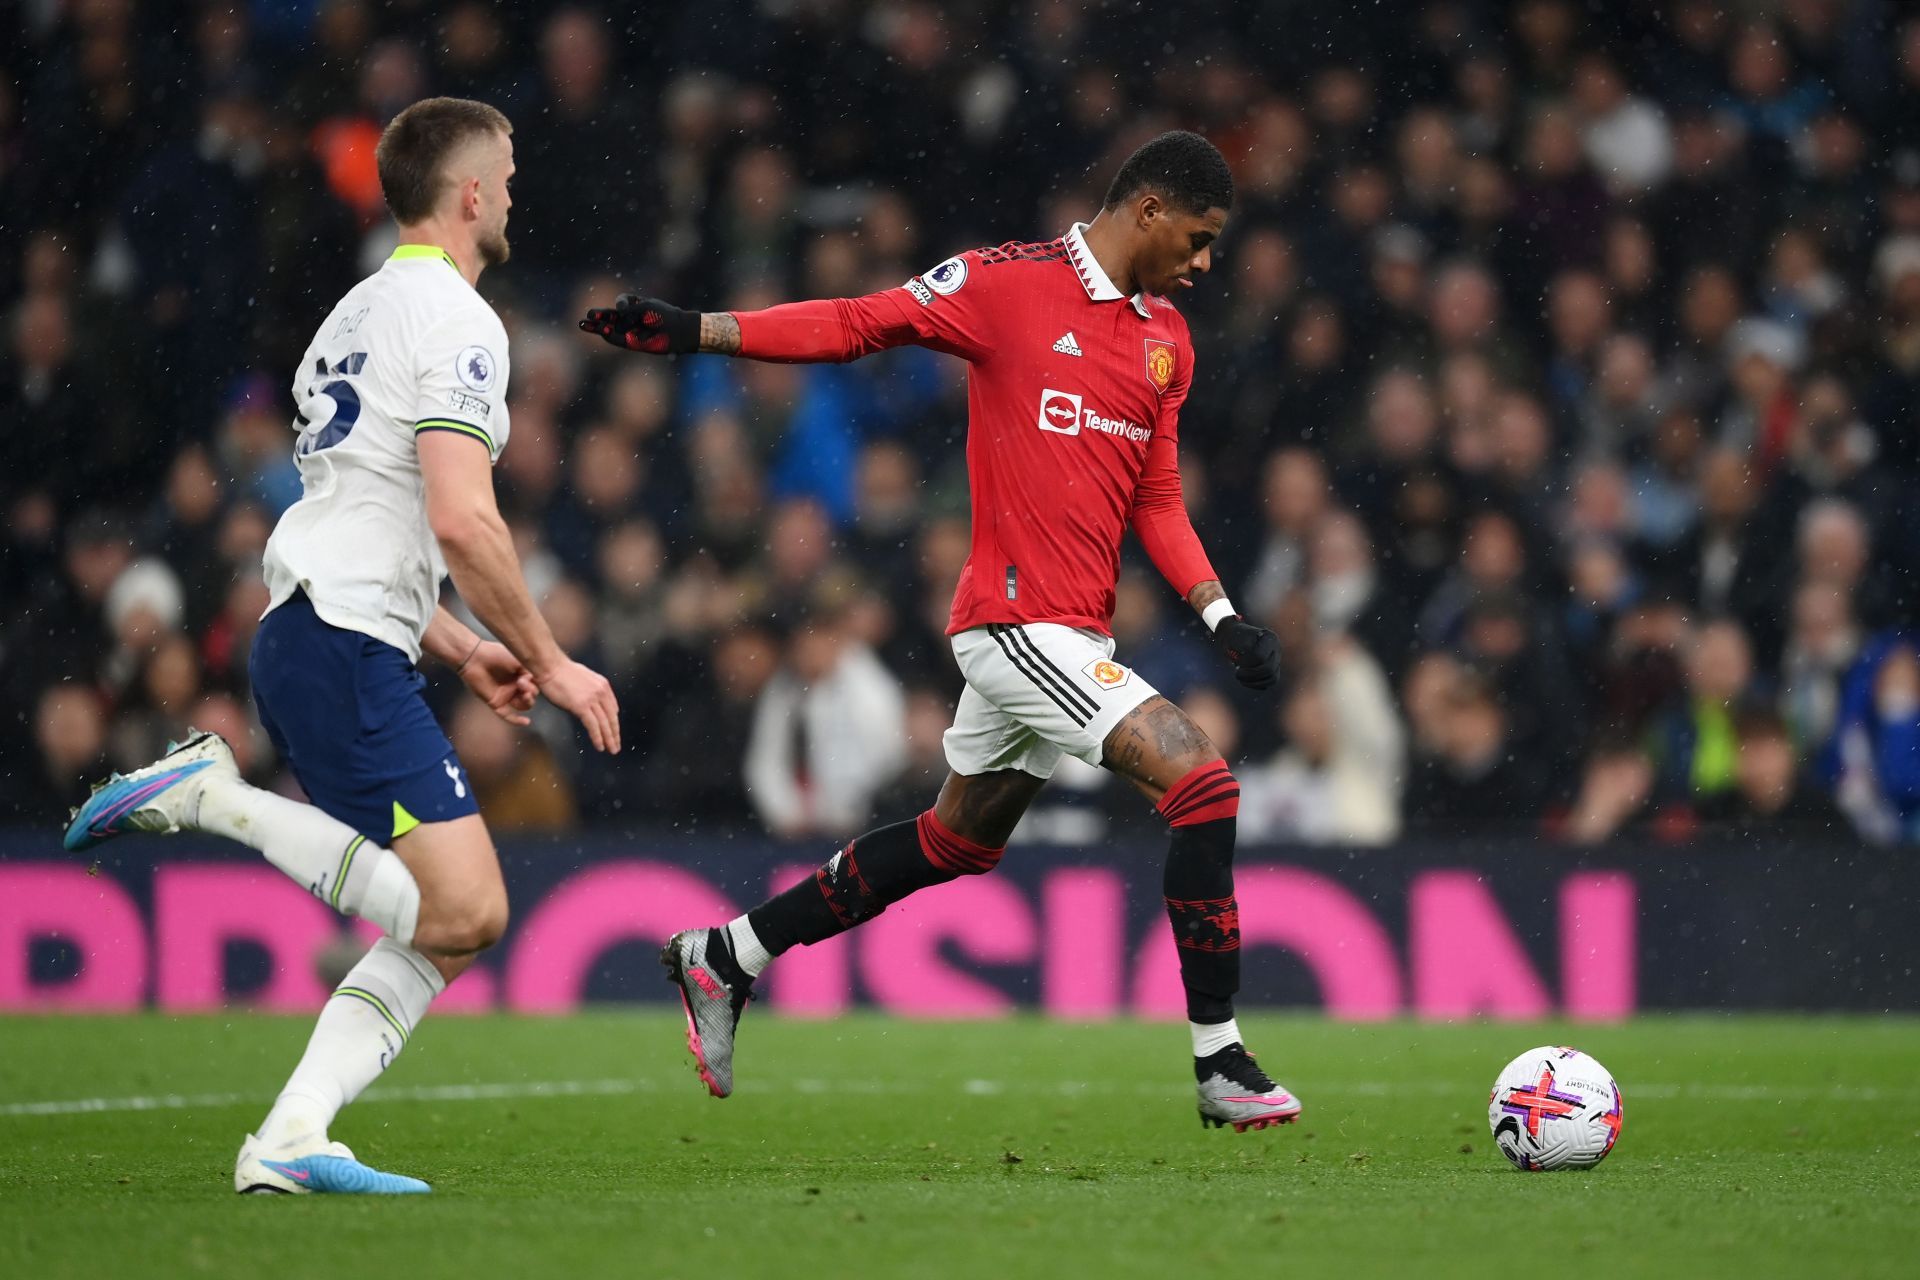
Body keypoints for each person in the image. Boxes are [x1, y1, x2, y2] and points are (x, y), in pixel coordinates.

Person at [583, 130, 1297, 1133]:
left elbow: (1161, 496)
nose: (1206, 260)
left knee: (954, 841)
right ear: (1149, 209)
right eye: (1201, 236)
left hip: (1071, 637)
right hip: (1009, 623)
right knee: (1204, 786)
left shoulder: (1166, 339)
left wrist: (1222, 613)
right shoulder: (1005, 284)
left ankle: (727, 953)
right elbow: (853, 323)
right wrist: (702, 330)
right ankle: (1220, 1061)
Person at [63, 98, 620, 1195]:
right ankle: (213, 796)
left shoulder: (354, 314)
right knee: (466, 911)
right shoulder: (462, 322)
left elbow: (372, 527)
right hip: (345, 643)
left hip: (323, 628)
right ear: (468, 194)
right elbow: (463, 520)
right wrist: (550, 657)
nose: (512, 192)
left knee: (455, 921)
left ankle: (291, 1133)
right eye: (503, 175)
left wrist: (465, 652)